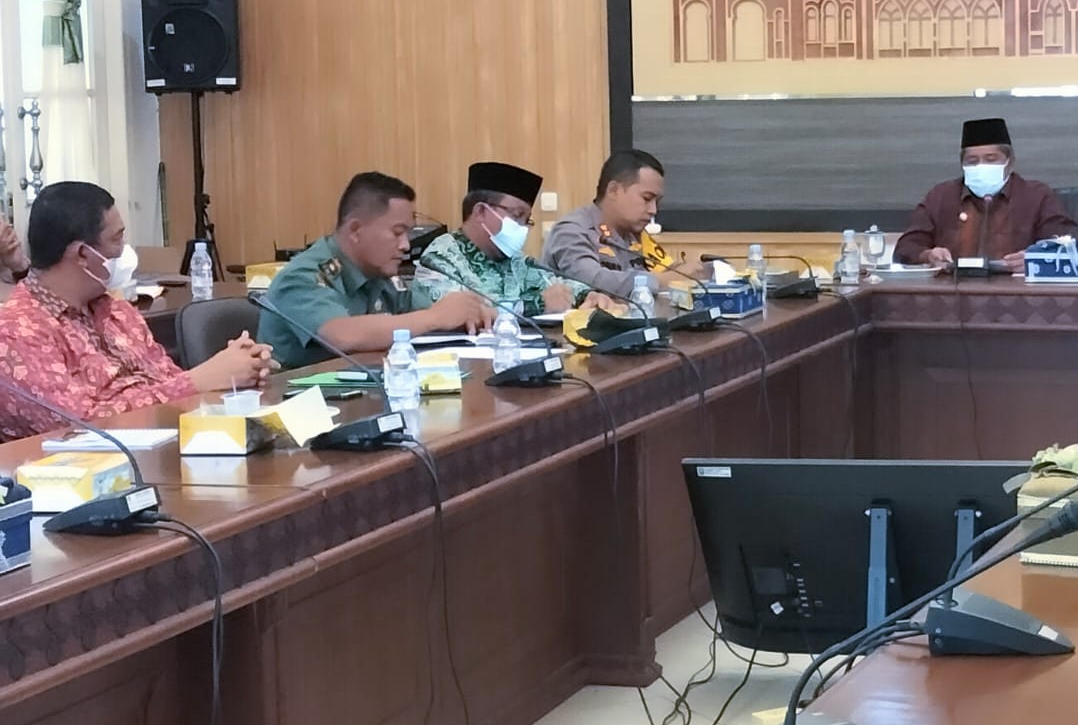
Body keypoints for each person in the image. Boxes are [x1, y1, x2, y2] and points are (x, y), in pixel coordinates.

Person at [0, 181, 273, 441]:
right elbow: (78, 425)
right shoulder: (17, 330)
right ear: (83, 254)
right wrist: (199, 381)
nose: (124, 251)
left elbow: (166, 381)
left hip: (165, 447)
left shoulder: (117, 312)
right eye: (116, 239)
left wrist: (236, 372)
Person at [258, 171, 494, 369]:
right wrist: (435, 318)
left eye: (408, 233)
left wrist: (473, 313)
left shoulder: (378, 273)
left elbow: (427, 312)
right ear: (355, 230)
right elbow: (342, 336)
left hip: (366, 394)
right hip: (301, 402)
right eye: (397, 232)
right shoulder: (302, 276)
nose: (406, 245)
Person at [413, 161, 616, 315]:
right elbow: (457, 314)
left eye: (527, 220)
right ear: (481, 211)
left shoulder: (515, 261)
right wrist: (537, 304)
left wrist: (588, 295)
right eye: (517, 215)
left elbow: (554, 283)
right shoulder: (439, 259)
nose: (523, 228)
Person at [892, 117, 1076, 272]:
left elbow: (1068, 245)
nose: (981, 166)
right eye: (972, 161)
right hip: (952, 293)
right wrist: (928, 255)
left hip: (1019, 294)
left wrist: (1036, 258)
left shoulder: (1037, 196)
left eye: (991, 159)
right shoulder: (941, 196)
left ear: (1010, 162)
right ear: (962, 164)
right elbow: (905, 248)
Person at [542, 149, 696, 299]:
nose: (653, 210)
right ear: (613, 190)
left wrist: (688, 272)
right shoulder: (571, 230)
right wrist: (661, 281)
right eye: (647, 198)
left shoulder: (635, 234)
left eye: (657, 202)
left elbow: (665, 268)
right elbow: (591, 281)